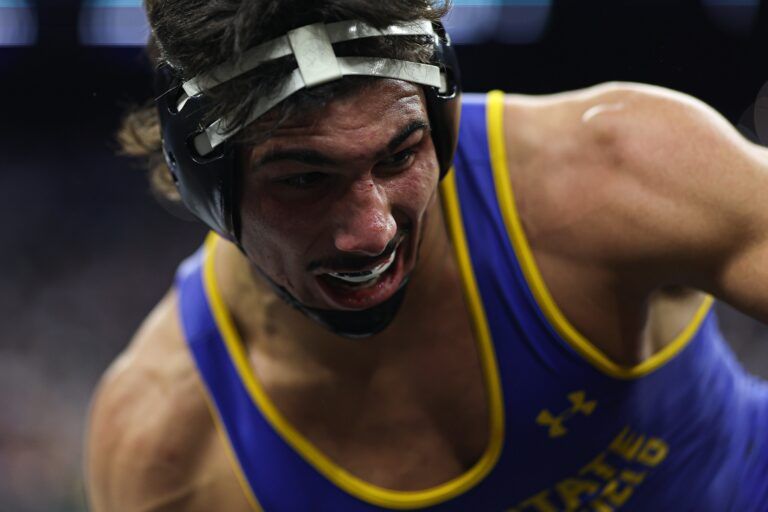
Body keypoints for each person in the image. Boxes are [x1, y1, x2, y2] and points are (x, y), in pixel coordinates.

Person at [85, 1, 768, 511]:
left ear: (441, 119)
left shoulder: (616, 169)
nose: (372, 231)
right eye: (305, 179)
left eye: (399, 155)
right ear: (204, 189)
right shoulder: (168, 446)